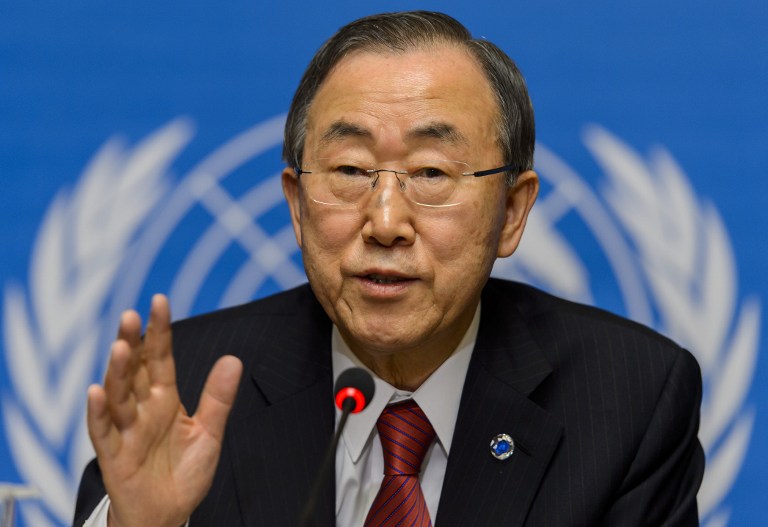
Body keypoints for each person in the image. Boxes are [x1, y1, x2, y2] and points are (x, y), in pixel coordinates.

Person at [73, 10, 704, 527]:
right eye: (349, 171)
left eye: (431, 173)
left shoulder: (628, 400)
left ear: (512, 212)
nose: (384, 222)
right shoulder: (184, 387)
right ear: (296, 207)